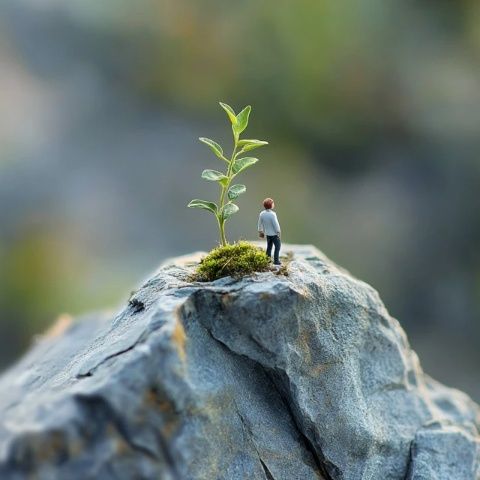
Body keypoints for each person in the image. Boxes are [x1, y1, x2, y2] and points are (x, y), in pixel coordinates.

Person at [258, 197, 281, 265]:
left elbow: (259, 223)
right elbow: (275, 224)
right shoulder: (272, 214)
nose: (274, 204)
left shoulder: (262, 214)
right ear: (271, 205)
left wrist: (260, 231)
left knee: (269, 247)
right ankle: (276, 261)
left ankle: (267, 260)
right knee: (277, 247)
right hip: (274, 234)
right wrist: (278, 231)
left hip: (268, 234)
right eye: (273, 203)